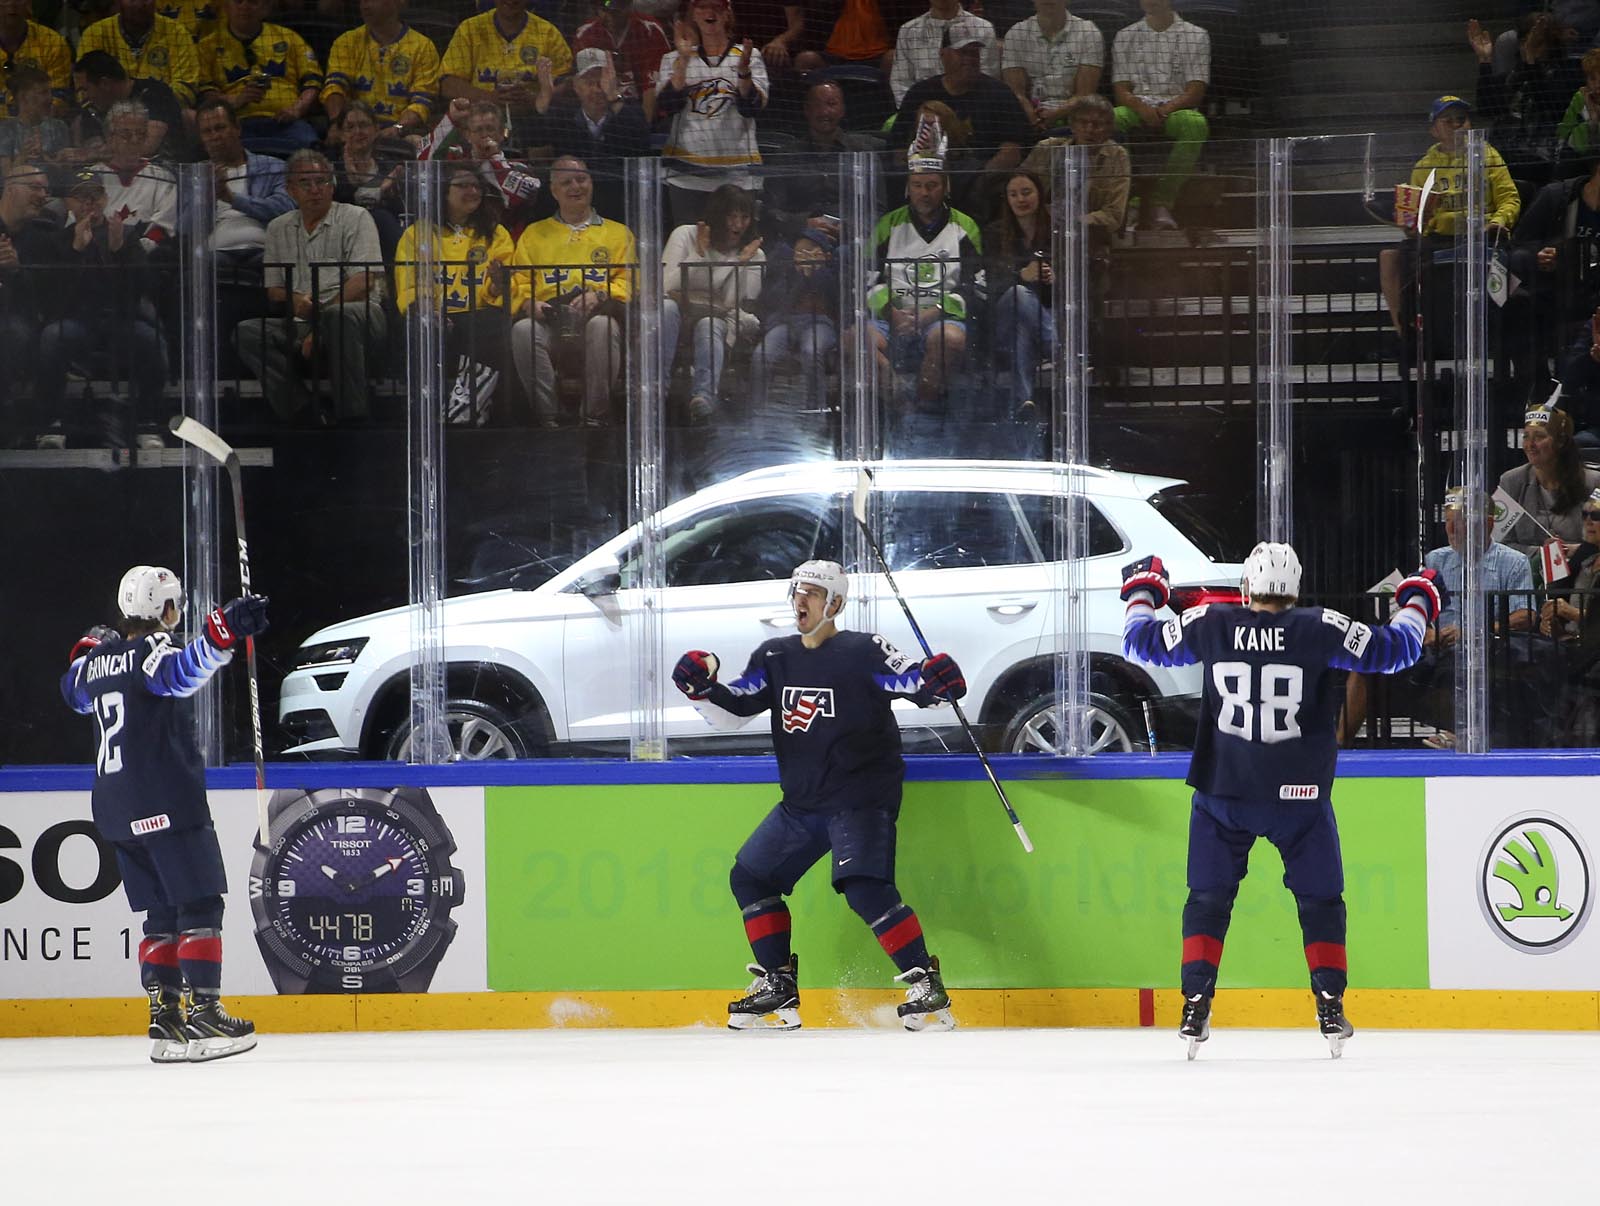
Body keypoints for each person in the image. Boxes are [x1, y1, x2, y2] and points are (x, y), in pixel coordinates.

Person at [1121, 542, 1444, 1058]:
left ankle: (1195, 1004)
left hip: (1223, 790)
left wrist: (1143, 590)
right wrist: (1419, 598)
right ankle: (1330, 1004)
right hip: (1299, 795)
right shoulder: (1321, 627)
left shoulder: (1211, 621)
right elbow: (1396, 650)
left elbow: (1140, 642)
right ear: (1295, 589)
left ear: (1246, 587)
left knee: (1207, 901)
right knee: (1320, 902)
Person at [671, 559, 967, 1031]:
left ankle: (925, 983)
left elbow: (909, 680)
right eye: (796, 591)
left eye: (812, 592)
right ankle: (778, 984)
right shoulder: (775, 656)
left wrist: (935, 682)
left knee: (865, 888)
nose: (800, 601)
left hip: (860, 796)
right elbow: (736, 707)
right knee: (750, 878)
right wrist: (700, 689)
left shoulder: (864, 649)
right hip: (803, 803)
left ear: (836, 602)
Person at [60, 566, 269, 1063]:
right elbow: (179, 674)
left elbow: (71, 693)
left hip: (115, 809)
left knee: (161, 913)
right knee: (198, 905)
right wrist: (221, 632)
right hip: (166, 801)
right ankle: (204, 1013)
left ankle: (165, 1017)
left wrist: (89, 647)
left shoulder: (97, 663)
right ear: (169, 611)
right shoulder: (151, 650)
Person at [235, 149, 388, 425]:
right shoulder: (277, 228)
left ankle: (353, 418)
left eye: (323, 181)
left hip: (360, 317)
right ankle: (304, 411)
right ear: (291, 190)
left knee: (338, 317)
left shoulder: (357, 217)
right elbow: (273, 290)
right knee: (247, 332)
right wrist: (294, 300)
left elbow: (363, 281)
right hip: (302, 319)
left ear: (333, 185)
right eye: (306, 183)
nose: (315, 190)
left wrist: (320, 323)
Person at [509, 154, 636, 427]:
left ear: (591, 182)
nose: (575, 187)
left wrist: (600, 295)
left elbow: (631, 281)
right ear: (554, 191)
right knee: (523, 331)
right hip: (551, 321)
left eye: (581, 179)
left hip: (598, 318)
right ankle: (548, 418)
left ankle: (594, 416)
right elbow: (518, 281)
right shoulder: (534, 233)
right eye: (566, 182)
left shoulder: (619, 233)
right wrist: (530, 304)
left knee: (603, 326)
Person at [1378, 96, 1520, 339]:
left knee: (1518, 260)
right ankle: (1406, 336)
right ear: (1434, 130)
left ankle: (1500, 333)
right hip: (1439, 239)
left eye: (1461, 119)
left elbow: (1510, 198)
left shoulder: (1488, 155)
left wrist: (1498, 221)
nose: (1457, 125)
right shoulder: (1424, 166)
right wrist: (1412, 225)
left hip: (1482, 236)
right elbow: (1417, 221)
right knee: (1390, 258)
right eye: (1448, 120)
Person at [394, 164, 514, 426]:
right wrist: (427, 309)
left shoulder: (496, 233)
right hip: (437, 316)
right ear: (444, 193)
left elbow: (501, 290)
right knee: (423, 328)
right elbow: (410, 283)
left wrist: (497, 284)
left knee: (493, 324)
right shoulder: (418, 233)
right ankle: (431, 414)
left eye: (476, 186)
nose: (473, 191)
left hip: (481, 317)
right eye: (463, 185)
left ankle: (463, 411)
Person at [867, 137, 981, 410]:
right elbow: (867, 278)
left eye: (932, 185)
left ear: (945, 187)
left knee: (949, 340)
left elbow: (975, 286)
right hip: (893, 316)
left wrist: (934, 311)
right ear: (908, 187)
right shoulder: (888, 224)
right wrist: (891, 312)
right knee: (855, 340)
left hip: (940, 318)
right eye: (917, 186)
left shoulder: (965, 227)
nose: (924, 193)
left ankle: (922, 410)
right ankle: (897, 397)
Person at [655, 0, 769, 227]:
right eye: (702, 7)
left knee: (735, 251)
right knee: (690, 251)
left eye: (717, 7)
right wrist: (684, 58)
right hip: (687, 177)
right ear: (693, 15)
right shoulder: (673, 59)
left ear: (727, 14)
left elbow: (751, 109)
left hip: (737, 177)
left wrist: (744, 72)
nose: (710, 12)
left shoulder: (750, 56)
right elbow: (668, 105)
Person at [660, 180, 764, 424]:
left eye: (744, 217)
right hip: (677, 310)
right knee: (666, 308)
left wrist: (741, 262)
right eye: (731, 216)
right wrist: (699, 254)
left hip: (717, 316)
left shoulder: (754, 253)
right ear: (717, 215)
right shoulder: (685, 234)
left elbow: (731, 301)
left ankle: (703, 397)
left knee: (710, 324)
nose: (738, 225)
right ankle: (657, 388)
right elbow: (667, 286)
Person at [1111, 0, 1210, 231]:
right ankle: (1128, 201)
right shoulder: (1125, 36)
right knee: (1112, 118)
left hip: (1177, 109)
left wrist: (1165, 110)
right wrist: (1142, 108)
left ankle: (1162, 202)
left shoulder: (1196, 35)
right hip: (1136, 108)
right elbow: (1121, 90)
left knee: (1196, 124)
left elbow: (1195, 91)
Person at [528, 45, 651, 218]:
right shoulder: (563, 116)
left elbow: (642, 141)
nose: (597, 89)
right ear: (576, 86)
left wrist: (614, 96)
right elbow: (534, 141)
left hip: (620, 205)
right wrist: (546, 97)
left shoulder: (628, 111)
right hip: (573, 207)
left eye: (602, 81)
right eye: (589, 82)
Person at [196, 0, 323, 153]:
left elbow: (313, 82)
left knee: (312, 151)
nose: (245, 7)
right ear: (226, 7)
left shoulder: (289, 38)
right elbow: (206, 95)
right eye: (238, 2)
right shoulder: (207, 46)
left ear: (266, 8)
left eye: (253, 2)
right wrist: (236, 100)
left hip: (287, 123)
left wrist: (296, 109)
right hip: (237, 124)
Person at [438, 0, 572, 143]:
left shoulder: (547, 33)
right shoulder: (470, 29)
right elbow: (447, 84)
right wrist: (489, 98)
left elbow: (567, 85)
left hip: (532, 125)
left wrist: (536, 99)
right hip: (479, 125)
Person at [749, 224, 839, 412]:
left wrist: (816, 272)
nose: (805, 256)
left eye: (812, 252)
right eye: (800, 252)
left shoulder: (833, 273)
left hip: (821, 323)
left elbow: (834, 299)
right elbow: (779, 302)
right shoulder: (786, 271)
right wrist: (799, 274)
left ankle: (815, 413)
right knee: (761, 355)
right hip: (786, 322)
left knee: (811, 351)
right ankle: (757, 414)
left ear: (826, 256)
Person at [984, 168, 1052, 417]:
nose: (1020, 199)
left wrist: (1053, 280)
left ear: (1039, 194)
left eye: (1026, 192)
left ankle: (1023, 403)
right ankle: (1057, 348)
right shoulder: (993, 233)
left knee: (1020, 332)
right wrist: (1020, 276)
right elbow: (989, 284)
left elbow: (1074, 285)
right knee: (1019, 294)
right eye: (1013, 194)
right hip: (1003, 313)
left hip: (1042, 314)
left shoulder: (1058, 230)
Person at [320, 0, 442, 136]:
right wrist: (337, 123)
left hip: (402, 132)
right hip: (355, 129)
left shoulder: (423, 46)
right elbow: (335, 87)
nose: (364, 6)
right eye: (362, 1)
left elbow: (422, 101)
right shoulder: (347, 41)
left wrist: (397, 128)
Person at [1497, 404, 1600, 561]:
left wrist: (1576, 551)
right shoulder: (1510, 482)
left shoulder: (1594, 483)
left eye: (1539, 437)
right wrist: (1540, 553)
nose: (1530, 445)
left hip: (1581, 578)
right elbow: (1498, 544)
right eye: (1526, 436)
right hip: (1527, 576)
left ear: (1561, 441)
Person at [1001, 0, 1105, 133]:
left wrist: (1054, 114)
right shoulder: (1016, 34)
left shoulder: (1088, 32)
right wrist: (1033, 117)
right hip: (1028, 115)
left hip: (1074, 115)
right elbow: (1016, 92)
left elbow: (1084, 94)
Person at [78, 0, 201, 110]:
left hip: (161, 114)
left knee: (188, 117)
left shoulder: (176, 32)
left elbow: (186, 89)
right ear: (118, 2)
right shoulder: (95, 34)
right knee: (81, 122)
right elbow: (83, 87)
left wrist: (144, 107)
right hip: (108, 114)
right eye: (132, 0)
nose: (140, 4)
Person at [328, 100, 408, 262]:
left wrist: (389, 194)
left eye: (364, 125)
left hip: (384, 236)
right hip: (344, 235)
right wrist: (351, 183)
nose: (358, 132)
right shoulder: (332, 167)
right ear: (342, 134)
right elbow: (333, 209)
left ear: (376, 129)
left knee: (383, 218)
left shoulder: (390, 168)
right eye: (350, 127)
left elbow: (402, 211)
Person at [71, 49, 185, 162]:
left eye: (85, 89)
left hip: (164, 172)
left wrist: (93, 153)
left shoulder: (156, 93)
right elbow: (93, 148)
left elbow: (146, 148)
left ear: (105, 83)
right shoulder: (92, 108)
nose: (84, 97)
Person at [572, 0, 671, 120]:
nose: (610, 17)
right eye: (604, 10)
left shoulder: (650, 30)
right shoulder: (586, 33)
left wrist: (642, 131)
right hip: (604, 114)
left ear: (629, 6)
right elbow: (585, 87)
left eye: (615, 11)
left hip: (642, 112)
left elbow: (650, 90)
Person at [890, 0, 998, 106]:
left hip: (971, 108)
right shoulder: (908, 31)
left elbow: (988, 78)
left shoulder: (983, 28)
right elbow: (901, 84)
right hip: (924, 112)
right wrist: (915, 112)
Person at [0, 1, 72, 116]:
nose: (11, 4)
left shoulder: (53, 42)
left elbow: (59, 97)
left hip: (40, 126)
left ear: (29, 4)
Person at [0, 66, 71, 173]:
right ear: (23, 97)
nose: (51, 98)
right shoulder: (6, 129)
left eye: (50, 92)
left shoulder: (59, 127)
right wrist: (23, 157)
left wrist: (43, 158)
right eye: (43, 92)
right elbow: (5, 178)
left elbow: (67, 173)